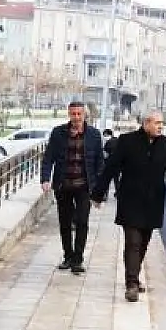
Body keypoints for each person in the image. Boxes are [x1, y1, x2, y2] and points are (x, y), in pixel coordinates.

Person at [92, 110, 166, 303]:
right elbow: (111, 166)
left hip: (154, 201)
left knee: (144, 241)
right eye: (156, 123)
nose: (160, 126)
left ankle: (134, 277)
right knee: (133, 242)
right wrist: (98, 193)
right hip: (130, 199)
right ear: (146, 124)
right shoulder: (127, 141)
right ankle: (131, 285)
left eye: (162, 123)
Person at [40, 101, 104, 274]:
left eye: (79, 114)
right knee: (65, 223)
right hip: (63, 185)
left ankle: (78, 259)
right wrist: (45, 179)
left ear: (84, 115)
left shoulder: (94, 135)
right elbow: (48, 158)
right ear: (69, 114)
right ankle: (68, 256)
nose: (76, 117)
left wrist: (100, 191)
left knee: (82, 222)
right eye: (73, 114)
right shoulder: (58, 133)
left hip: (84, 186)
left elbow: (100, 163)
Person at [102, 128, 120, 197]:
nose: (105, 137)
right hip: (117, 165)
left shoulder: (108, 142)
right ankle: (118, 193)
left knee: (106, 179)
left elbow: (105, 154)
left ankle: (105, 195)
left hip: (109, 164)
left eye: (105, 135)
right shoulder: (118, 141)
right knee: (116, 180)